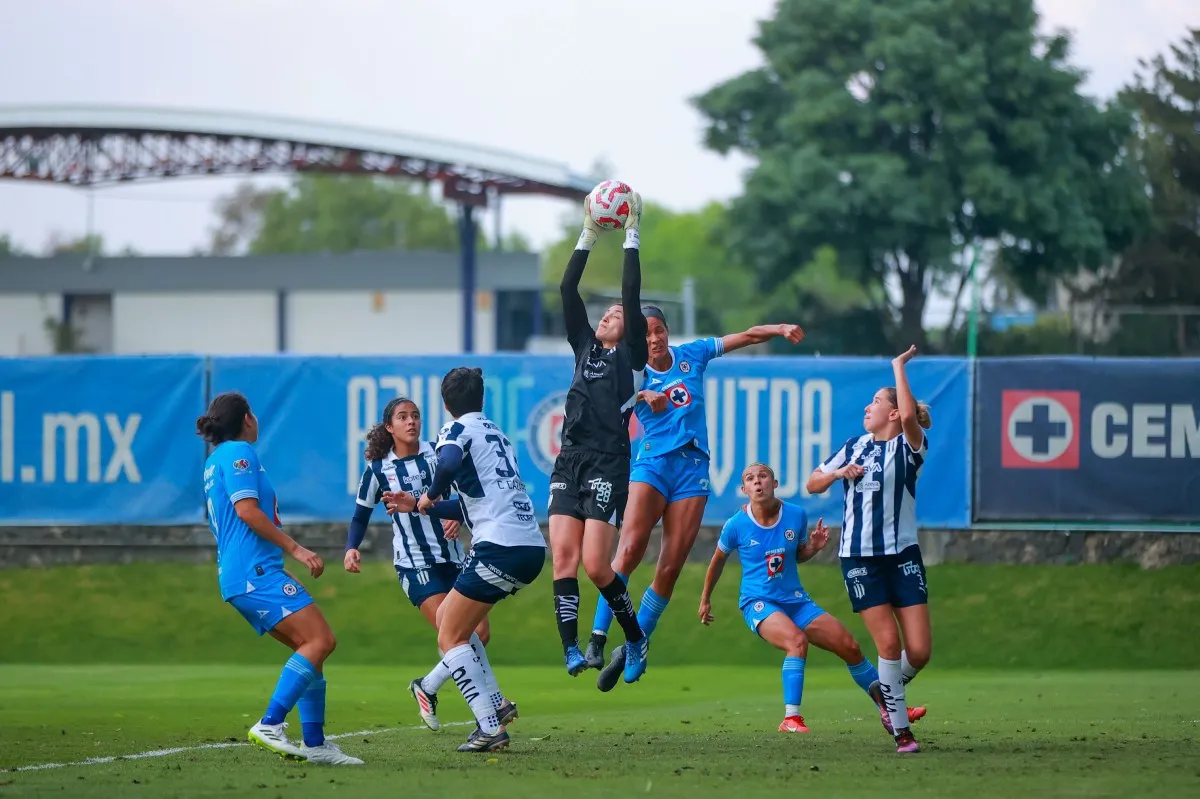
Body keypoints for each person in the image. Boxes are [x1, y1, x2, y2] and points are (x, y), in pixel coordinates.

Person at [588, 306, 804, 691]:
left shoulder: (693, 354)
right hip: (652, 461)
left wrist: (779, 327)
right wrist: (642, 393)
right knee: (631, 547)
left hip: (692, 469)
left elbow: (747, 336)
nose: (654, 339)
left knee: (669, 568)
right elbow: (606, 403)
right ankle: (598, 639)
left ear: (668, 331)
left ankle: (638, 644)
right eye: (647, 334)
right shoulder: (628, 368)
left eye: (659, 331)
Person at [698, 462, 926, 735]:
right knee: (796, 641)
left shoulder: (795, 515)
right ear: (744, 489)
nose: (757, 482)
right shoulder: (736, 525)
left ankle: (892, 708)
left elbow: (796, 556)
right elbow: (717, 561)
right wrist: (705, 599)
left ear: (775, 483)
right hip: (758, 602)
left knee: (850, 646)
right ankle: (790, 717)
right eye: (750, 479)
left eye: (763, 476)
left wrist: (814, 548)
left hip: (796, 601)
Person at [198, 391, 362, 766]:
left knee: (309, 648)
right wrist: (297, 550)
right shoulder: (239, 453)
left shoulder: (214, 461)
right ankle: (270, 723)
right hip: (253, 574)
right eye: (252, 413)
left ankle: (315, 743)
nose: (256, 419)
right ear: (246, 420)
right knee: (321, 640)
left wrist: (272, 563)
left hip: (249, 572)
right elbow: (247, 511)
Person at [342, 395, 513, 732]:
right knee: (455, 633)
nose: (412, 422)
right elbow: (360, 515)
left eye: (416, 416)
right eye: (403, 417)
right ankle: (495, 706)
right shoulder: (378, 470)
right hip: (416, 564)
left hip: (453, 558)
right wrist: (351, 547)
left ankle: (428, 686)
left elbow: (459, 497)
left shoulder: (438, 454)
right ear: (390, 427)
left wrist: (457, 519)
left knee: (479, 632)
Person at [404, 366, 547, 753]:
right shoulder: (497, 434)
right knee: (457, 624)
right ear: (481, 399)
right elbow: (472, 504)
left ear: (445, 403)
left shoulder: (454, 430)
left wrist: (430, 494)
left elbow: (447, 463)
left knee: (449, 634)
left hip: (499, 546)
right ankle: (474, 701)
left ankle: (489, 727)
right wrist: (421, 507)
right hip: (529, 546)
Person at [805, 345, 933, 754]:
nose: (868, 406)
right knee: (889, 647)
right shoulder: (853, 446)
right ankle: (901, 732)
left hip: (903, 557)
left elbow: (911, 417)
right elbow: (812, 482)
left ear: (894, 413)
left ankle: (885, 690)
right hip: (859, 559)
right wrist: (839, 472)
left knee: (920, 650)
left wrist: (897, 367)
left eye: (877, 401)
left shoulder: (910, 446)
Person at [545, 190, 651, 684]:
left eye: (617, 313)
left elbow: (631, 295)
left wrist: (630, 235)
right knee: (563, 556)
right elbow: (568, 290)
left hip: (609, 462)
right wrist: (587, 234)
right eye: (605, 311)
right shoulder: (584, 344)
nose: (610, 313)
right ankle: (570, 649)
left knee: (595, 566)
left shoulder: (633, 357)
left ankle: (634, 636)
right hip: (570, 459)